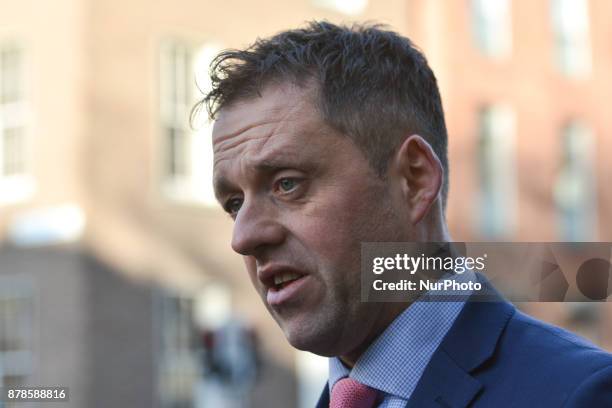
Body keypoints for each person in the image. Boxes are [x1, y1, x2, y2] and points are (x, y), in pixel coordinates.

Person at [199, 21, 612, 407]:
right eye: (234, 204)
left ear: (413, 180)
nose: (244, 237)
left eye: (287, 184)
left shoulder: (579, 394)